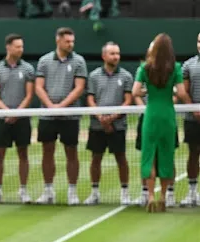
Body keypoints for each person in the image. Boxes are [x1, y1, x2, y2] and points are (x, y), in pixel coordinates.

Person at [132, 34, 192, 212]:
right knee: (166, 155)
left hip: (151, 114)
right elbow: (181, 93)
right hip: (167, 114)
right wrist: (172, 92)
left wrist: (148, 90)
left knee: (149, 155)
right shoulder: (176, 68)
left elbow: (135, 91)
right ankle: (163, 197)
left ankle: (150, 196)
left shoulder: (145, 67)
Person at [35, 27, 87, 204]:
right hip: (47, 115)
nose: (70, 44)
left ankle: (72, 192)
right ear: (58, 40)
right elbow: (38, 86)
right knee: (47, 152)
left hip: (70, 116)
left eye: (72, 41)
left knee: (71, 152)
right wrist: (51, 106)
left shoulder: (79, 61)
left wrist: (62, 107)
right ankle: (48, 191)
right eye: (67, 41)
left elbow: (79, 87)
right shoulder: (44, 61)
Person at [83, 41, 133, 205]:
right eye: (112, 54)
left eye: (117, 53)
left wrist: (112, 117)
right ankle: (95, 192)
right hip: (97, 125)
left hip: (117, 125)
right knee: (96, 158)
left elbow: (128, 100)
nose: (116, 57)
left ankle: (125, 192)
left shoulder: (126, 76)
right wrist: (100, 117)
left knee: (121, 158)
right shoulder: (94, 76)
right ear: (104, 56)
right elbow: (90, 98)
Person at [0, 33, 35, 203]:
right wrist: (7, 112)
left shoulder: (28, 69)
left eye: (22, 46)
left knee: (23, 153)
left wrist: (17, 113)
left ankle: (23, 191)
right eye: (17, 46)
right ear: (8, 47)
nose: (20, 49)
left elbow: (29, 95)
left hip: (22, 118)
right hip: (2, 118)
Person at [180, 32, 200, 207]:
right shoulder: (188, 65)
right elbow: (183, 91)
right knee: (193, 154)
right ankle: (192, 192)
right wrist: (194, 109)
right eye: (199, 41)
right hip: (192, 118)